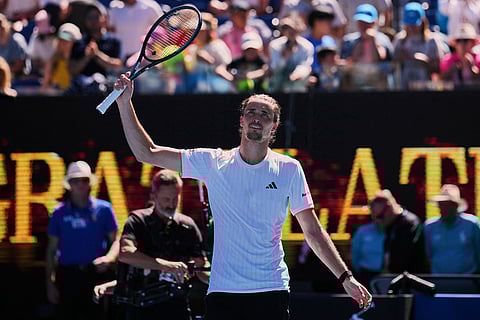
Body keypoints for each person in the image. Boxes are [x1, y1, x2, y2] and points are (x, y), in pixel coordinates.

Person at [110, 69, 373, 320]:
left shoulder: (289, 169)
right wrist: (124, 104)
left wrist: (345, 277)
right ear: (242, 121)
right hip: (223, 292)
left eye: (265, 114)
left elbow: (313, 232)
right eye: (251, 112)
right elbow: (147, 153)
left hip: (270, 290)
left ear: (274, 127)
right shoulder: (213, 162)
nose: (257, 117)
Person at [108, 169, 210, 320]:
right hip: (141, 307)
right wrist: (166, 265)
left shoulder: (187, 226)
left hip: (176, 305)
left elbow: (201, 266)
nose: (171, 204)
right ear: (153, 196)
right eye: (166, 199)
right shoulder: (138, 220)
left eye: (175, 199)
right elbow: (125, 253)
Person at [45, 160, 119, 320]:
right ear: (69, 184)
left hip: (96, 276)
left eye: (84, 180)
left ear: (90, 183)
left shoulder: (104, 209)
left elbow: (116, 241)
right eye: (75, 180)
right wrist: (50, 283)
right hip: (67, 276)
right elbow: (51, 250)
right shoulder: (58, 213)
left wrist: (109, 258)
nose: (80, 184)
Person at [366, 189, 429, 277]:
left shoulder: (410, 223)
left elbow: (405, 259)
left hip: (410, 281)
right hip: (396, 279)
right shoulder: (390, 225)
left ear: (390, 207)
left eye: (380, 216)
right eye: (374, 218)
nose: (377, 221)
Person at [425, 184, 480, 274]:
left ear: (455, 206)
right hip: (439, 282)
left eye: (447, 205)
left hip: (468, 282)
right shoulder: (429, 226)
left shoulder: (472, 224)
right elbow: (427, 256)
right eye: (441, 204)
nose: (443, 208)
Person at [392, 1, 443, 90]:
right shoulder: (400, 40)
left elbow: (439, 68)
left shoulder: (431, 40)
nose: (411, 27)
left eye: (414, 24)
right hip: (403, 87)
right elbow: (391, 66)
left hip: (426, 87)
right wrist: (401, 57)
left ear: (423, 21)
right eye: (409, 24)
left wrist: (425, 61)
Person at [268, 14, 314, 93]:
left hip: (298, 87)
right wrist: (284, 58)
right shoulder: (275, 45)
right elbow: (274, 68)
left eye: (292, 28)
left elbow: (305, 65)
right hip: (278, 86)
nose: (289, 31)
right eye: (286, 28)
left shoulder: (307, 46)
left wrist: (297, 74)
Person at [440, 22, 480, 88]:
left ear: (472, 43)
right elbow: (440, 82)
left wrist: (472, 69)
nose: (462, 44)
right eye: (458, 41)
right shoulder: (447, 60)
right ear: (455, 44)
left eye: (465, 40)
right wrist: (451, 70)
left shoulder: (478, 59)